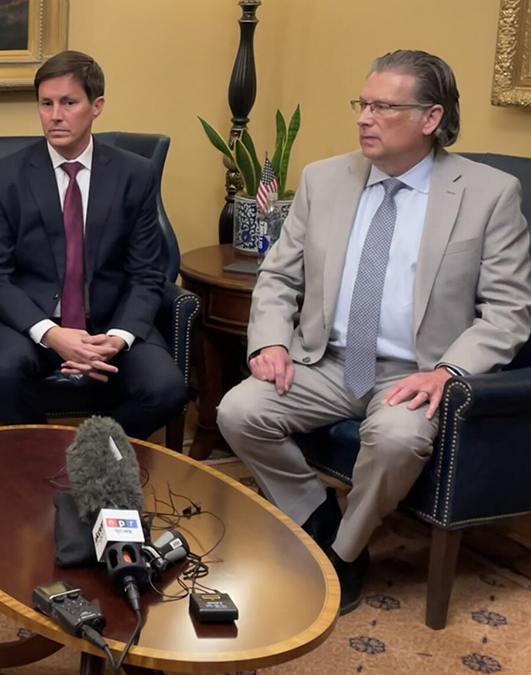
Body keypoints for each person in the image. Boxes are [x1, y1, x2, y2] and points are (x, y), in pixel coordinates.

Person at [217, 50, 531, 614]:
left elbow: (508, 311)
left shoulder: (489, 194)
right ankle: (320, 516)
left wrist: (447, 372)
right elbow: (278, 275)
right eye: (363, 103)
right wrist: (270, 341)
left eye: (384, 106)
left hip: (417, 373)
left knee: (397, 438)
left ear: (430, 119)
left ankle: (342, 555)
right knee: (239, 411)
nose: (364, 117)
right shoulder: (324, 179)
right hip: (327, 361)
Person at [0, 50, 187, 439]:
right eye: (46, 104)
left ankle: (92, 456)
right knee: (3, 371)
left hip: (108, 320)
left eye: (69, 103)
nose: (55, 115)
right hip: (31, 322)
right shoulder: (2, 178)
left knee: (167, 389)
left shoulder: (134, 175)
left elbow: (147, 273)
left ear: (96, 106)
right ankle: (40, 460)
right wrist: (52, 335)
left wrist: (117, 339)